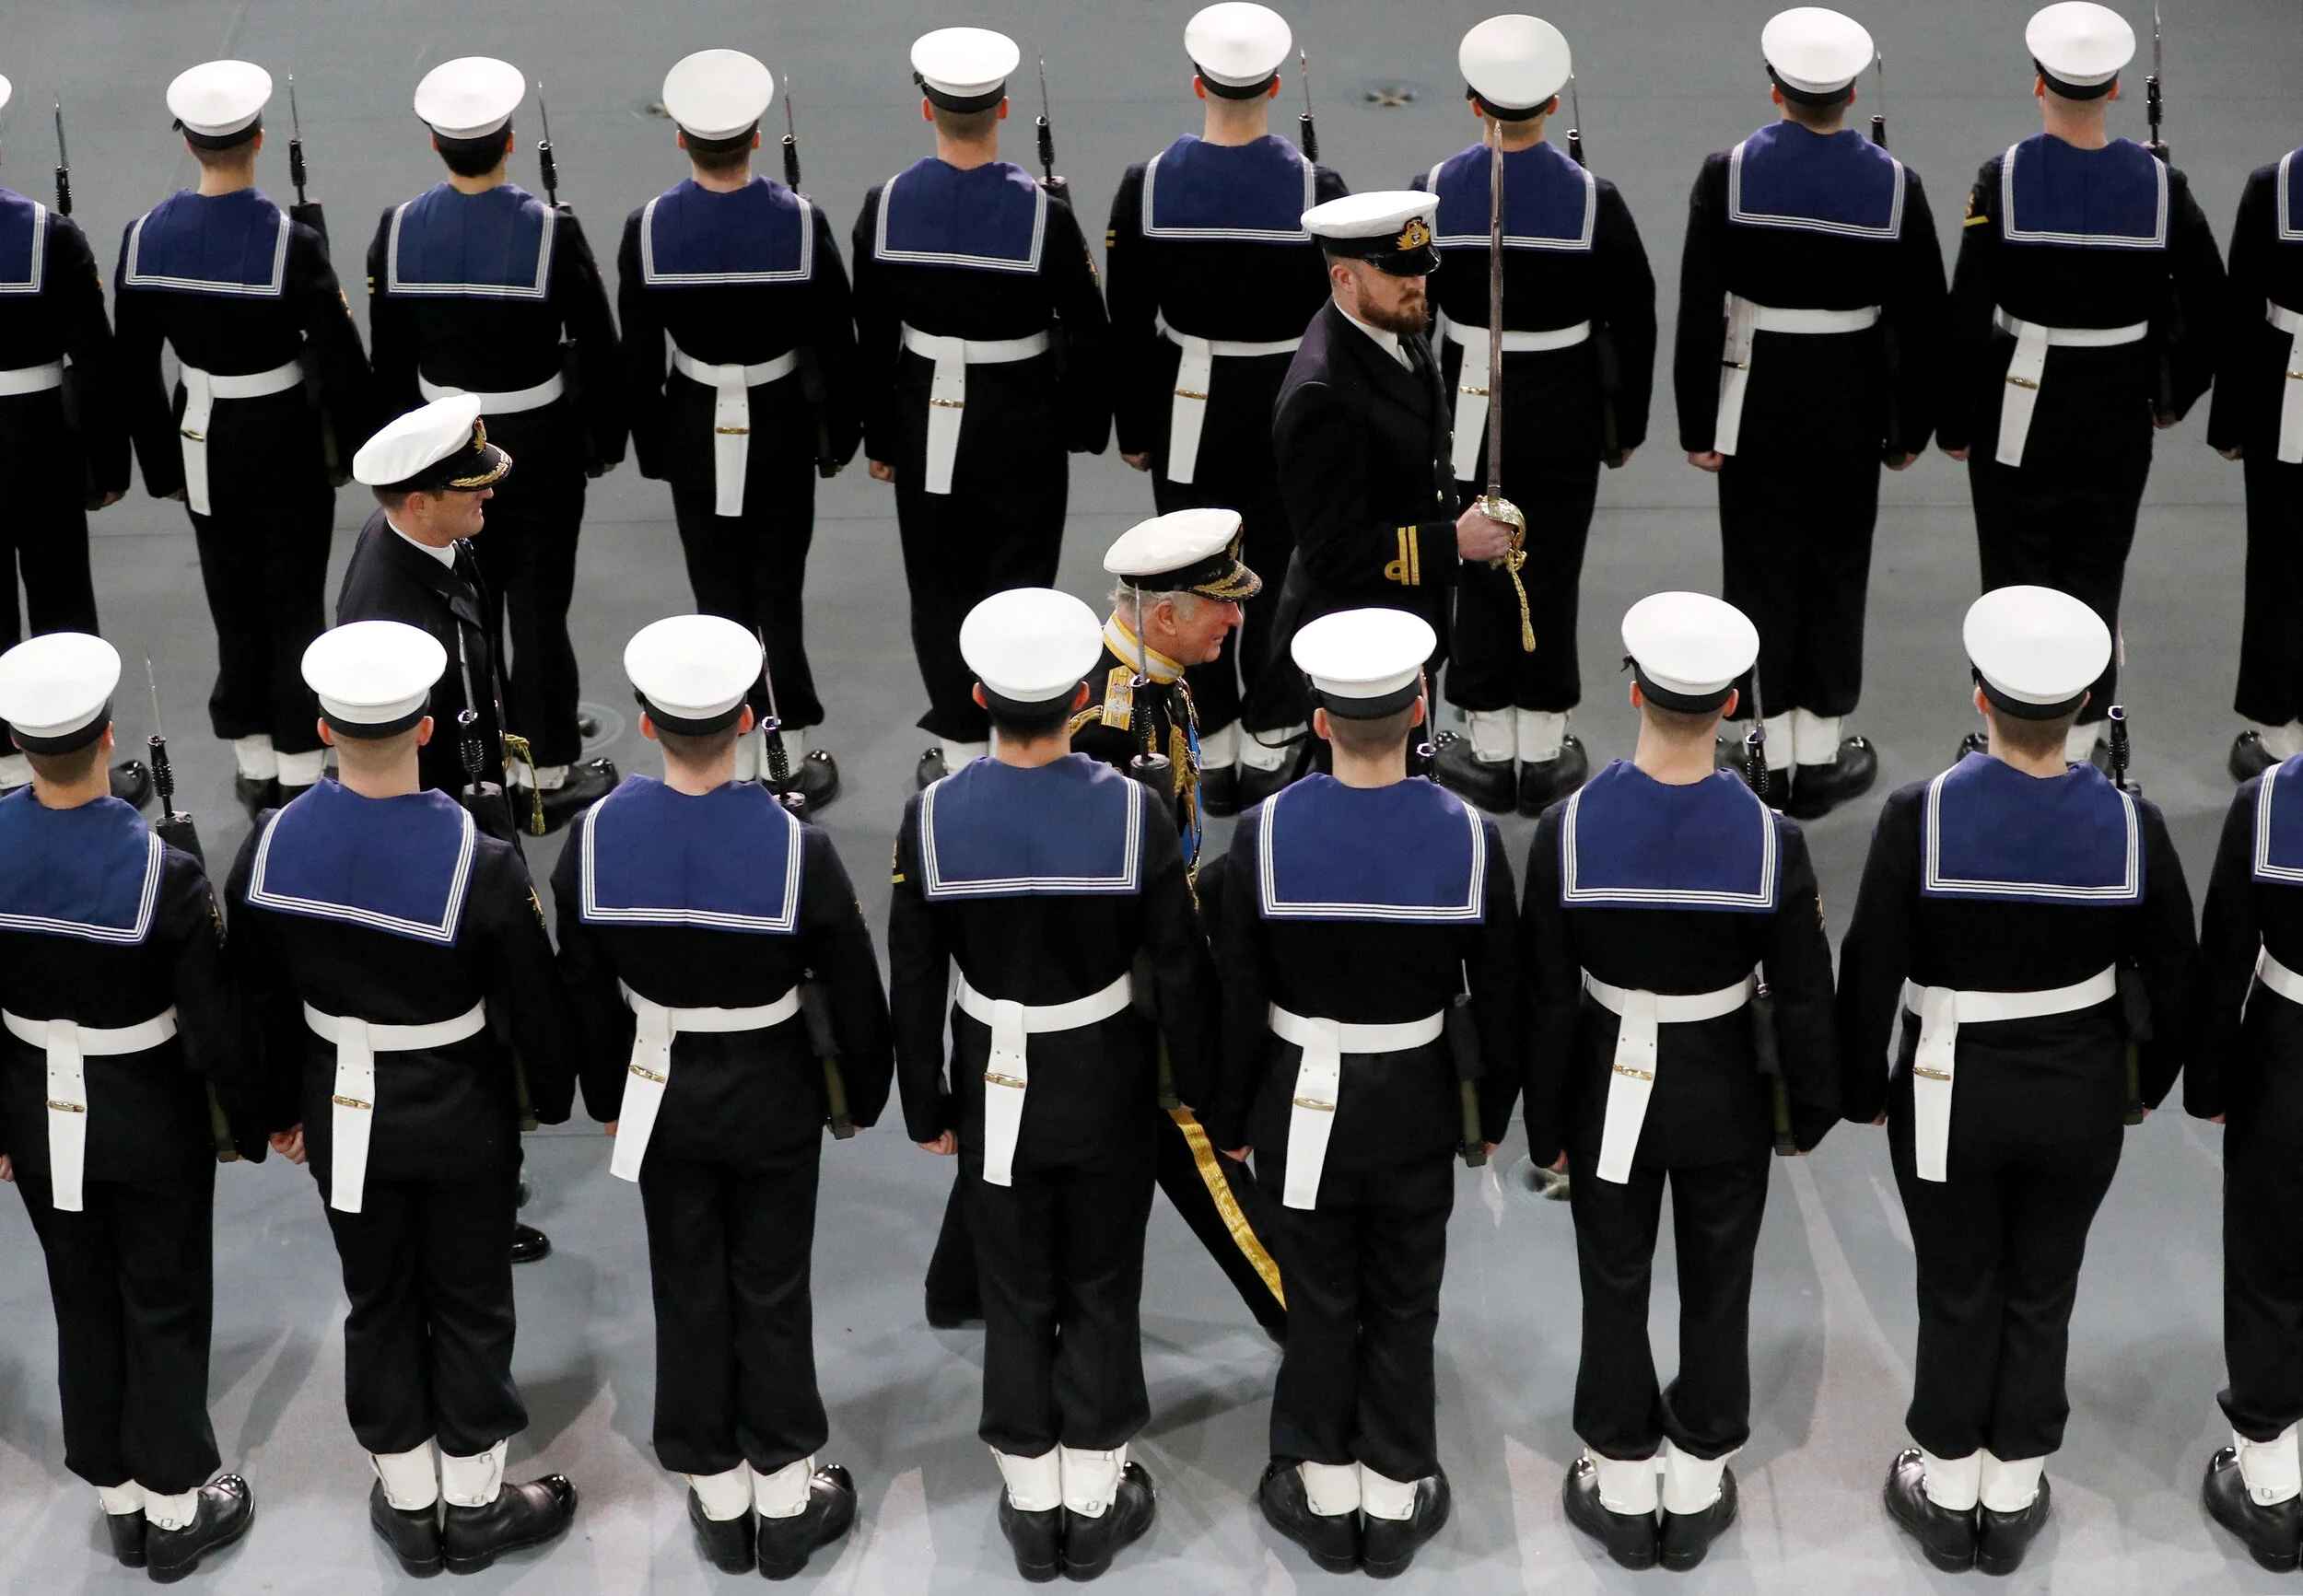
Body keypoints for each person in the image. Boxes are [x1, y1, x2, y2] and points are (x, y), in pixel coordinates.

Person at [1837, 585, 2198, 1576]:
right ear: (2086, 706)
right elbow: (2176, 969)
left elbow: (1868, 965)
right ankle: (2016, 1477)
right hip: (2079, 1090)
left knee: (1956, 1279)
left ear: (1977, 695)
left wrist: (1860, 1085)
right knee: (2044, 1283)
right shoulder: (2133, 825)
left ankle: (1947, 1486)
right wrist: (2149, 1078)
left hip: (1949, 1085)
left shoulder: (1918, 816)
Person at [226, 620, 581, 1578]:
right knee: (469, 1296)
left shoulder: (267, 848)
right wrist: (553, 1095)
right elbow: (533, 1002)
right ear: (425, 727)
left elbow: (251, 999)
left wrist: (272, 1112)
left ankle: (406, 1493)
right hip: (458, 1106)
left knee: (376, 1295)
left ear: (320, 726)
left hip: (338, 1104)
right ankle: (475, 1502)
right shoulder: (483, 859)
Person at [553, 614, 892, 1578]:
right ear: (748, 717)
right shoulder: (798, 847)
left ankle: (716, 1491)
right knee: (773, 1285)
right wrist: (864, 1091)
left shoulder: (593, 837)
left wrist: (607, 1088)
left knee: (686, 1280)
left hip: (659, 1089)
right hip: (774, 1087)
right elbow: (855, 987)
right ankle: (785, 1503)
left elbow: (578, 981)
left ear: (645, 724)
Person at [888, 588, 1213, 1581]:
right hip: (1104, 1074)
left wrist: (926, 1106)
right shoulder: (1134, 811)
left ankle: (1032, 1499)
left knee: (1016, 1281)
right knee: (1102, 1275)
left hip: (991, 1076)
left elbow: (913, 974)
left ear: (978, 693)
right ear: (1081, 694)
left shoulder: (933, 815)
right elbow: (1181, 966)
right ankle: (1097, 1485)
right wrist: (1199, 1087)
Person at [1521, 593, 1838, 1573]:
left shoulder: (1567, 829)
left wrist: (1543, 1125)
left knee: (1611, 1273)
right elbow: (1802, 993)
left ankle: (1619, 1473)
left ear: (1631, 692)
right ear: (1735, 701)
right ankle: (1698, 1467)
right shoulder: (1770, 839)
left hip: (1603, 1079)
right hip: (1722, 1089)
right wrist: (1807, 1111)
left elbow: (1541, 998)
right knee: (1719, 1273)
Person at [921, 508, 1286, 1339]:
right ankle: (1308, 1312)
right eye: (1220, 604)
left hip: (1135, 959)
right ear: (1165, 615)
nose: (1236, 617)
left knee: (1012, 1135)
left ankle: (960, 1282)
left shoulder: (1154, 673)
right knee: (1193, 1136)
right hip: (1114, 984)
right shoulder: (1102, 719)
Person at [1209, 607, 1520, 1579]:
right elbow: (1505, 1001)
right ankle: (1394, 1492)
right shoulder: (1470, 838)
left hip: (1297, 1098)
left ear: (1316, 717)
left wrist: (1231, 1117)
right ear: (1419, 705)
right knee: (1403, 1291)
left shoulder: (1257, 839)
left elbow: (1233, 1003)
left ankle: (1320, 1483)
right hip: (1417, 1102)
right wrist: (1490, 1117)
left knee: (1317, 1292)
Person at [0, 632, 263, 1581]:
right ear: (109, 738)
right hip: (147, 1115)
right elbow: (213, 1027)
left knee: (81, 1297)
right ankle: (177, 1503)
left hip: (34, 1111)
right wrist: (256, 1115)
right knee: (164, 1298)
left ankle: (116, 1498)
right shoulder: (166, 873)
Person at [1671, 6, 1946, 817]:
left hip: (1754, 392)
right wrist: (1911, 425)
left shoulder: (1729, 172)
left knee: (1757, 560)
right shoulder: (1896, 185)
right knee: (1836, 562)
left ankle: (1761, 738)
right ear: (1853, 94)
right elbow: (1921, 313)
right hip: (1852, 393)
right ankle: (1819, 748)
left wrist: (1698, 423)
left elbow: (1697, 304)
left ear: (1774, 90)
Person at [1936, 2, 2223, 771]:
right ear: (2118, 90)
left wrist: (1953, 419)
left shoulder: (2004, 179)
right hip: (2118, 404)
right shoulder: (2164, 188)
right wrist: (2174, 393)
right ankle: (2085, 741)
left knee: (2013, 573)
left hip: (2018, 407)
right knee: (2095, 569)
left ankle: (2010, 740)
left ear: (2038, 83)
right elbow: (2212, 303)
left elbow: (1968, 311)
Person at [851, 29, 1112, 790]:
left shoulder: (887, 204)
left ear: (926, 106)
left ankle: (961, 745)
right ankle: (1020, 734)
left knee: (937, 585)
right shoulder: (1044, 216)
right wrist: (1085, 426)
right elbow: (1088, 331)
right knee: (1022, 581)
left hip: (924, 413)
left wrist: (881, 435)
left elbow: (871, 334)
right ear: (1003, 108)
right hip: (1022, 417)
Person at [112, 59, 373, 815]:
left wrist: (161, 466)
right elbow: (339, 357)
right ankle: (300, 755)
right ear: (260, 139)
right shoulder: (289, 241)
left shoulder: (143, 237)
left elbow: (134, 369)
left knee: (229, 593)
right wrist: (362, 452)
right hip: (284, 437)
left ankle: (251, 752)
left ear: (189, 144)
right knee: (294, 598)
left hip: (201, 439)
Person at [1103, 3, 1345, 812]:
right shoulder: (1319, 189)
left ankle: (1211, 742)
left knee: (1196, 571)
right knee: (1282, 572)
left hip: (1188, 407)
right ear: (1277, 86)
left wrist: (1134, 427)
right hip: (1288, 406)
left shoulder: (1148, 185)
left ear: (1195, 81)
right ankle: (1278, 740)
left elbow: (1128, 322)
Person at [368, 56, 621, 831]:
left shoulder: (399, 230)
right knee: (540, 605)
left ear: (437, 146)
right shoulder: (552, 230)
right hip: (538, 444)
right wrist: (599, 441)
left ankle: (470, 750)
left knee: (457, 605)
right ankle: (543, 762)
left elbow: (388, 361)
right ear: (512, 141)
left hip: (444, 451)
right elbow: (600, 348)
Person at [1420, 14, 1656, 817]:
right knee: (1551, 561)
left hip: (1466, 401)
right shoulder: (1596, 198)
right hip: (1563, 396)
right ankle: (1545, 739)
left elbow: (1414, 312)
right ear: (1554, 103)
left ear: (1471, 102)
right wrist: (1624, 424)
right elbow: (1636, 312)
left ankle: (1486, 740)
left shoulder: (1436, 187)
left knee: (1475, 555)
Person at [617, 50, 860, 810]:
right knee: (777, 592)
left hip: (692, 424)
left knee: (715, 592)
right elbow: (837, 341)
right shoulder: (800, 223)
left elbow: (637, 353)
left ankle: (729, 749)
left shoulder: (649, 227)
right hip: (781, 424)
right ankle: (782, 755)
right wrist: (838, 436)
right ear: (757, 136)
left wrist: (653, 443)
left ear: (681, 139)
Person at [1266, 191, 1520, 801]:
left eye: (1419, 269)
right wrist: (1450, 542)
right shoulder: (1323, 392)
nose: (1416, 285)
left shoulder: (1390, 331)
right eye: (1397, 271)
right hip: (1354, 644)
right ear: (1343, 277)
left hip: (1401, 625)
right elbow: (1330, 550)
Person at [0, 75, 147, 807]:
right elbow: (94, 358)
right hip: (40, 446)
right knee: (62, 605)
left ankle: (2, 767)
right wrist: (106, 462)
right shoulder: (47, 235)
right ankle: (81, 761)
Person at [2192, 731, 2303, 1568]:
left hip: (2287, 1058)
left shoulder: (2266, 805)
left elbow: (2226, 950)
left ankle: (2270, 1487)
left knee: (2269, 1265)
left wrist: (2211, 1084)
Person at [2211, 143, 2303, 781]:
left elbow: (2240, 306)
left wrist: (2230, 421)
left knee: (2280, 556)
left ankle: (2279, 737)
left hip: (2285, 387)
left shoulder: (2276, 185)